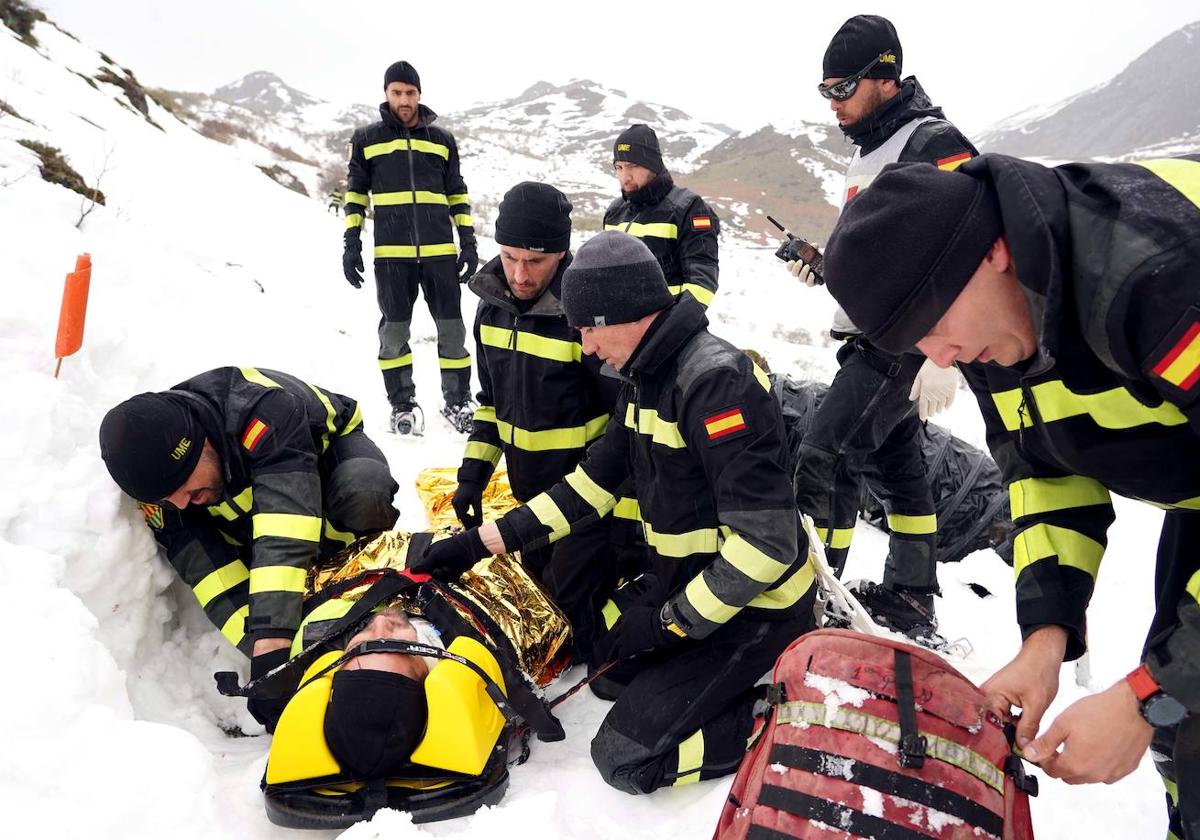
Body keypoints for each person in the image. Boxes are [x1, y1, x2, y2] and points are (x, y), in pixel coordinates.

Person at [821, 153, 1200, 837]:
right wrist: (1045, 637)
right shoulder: (1000, 322)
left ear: (993, 250)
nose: (939, 358)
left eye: (932, 326)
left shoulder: (1158, 275)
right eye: (915, 345)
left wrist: (1151, 696)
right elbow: (1046, 470)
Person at [413, 230, 817, 795]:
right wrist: (478, 544)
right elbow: (589, 486)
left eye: (587, 328)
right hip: (691, 584)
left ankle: (769, 719)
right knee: (604, 660)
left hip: (757, 608)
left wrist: (671, 621)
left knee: (624, 759)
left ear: (623, 313)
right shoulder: (647, 377)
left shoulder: (715, 384)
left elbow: (766, 546)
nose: (584, 347)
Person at [784, 15, 976, 641]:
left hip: (902, 342)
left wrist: (943, 357)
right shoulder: (874, 152)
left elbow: (977, 239)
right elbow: (882, 255)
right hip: (874, 334)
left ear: (886, 78)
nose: (834, 104)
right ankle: (912, 597)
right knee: (898, 466)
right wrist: (826, 268)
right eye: (826, 92)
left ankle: (815, 591)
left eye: (843, 88)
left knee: (823, 452)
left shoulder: (931, 141)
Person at [99, 366, 400, 726]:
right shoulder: (170, 491)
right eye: (167, 500)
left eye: (184, 488)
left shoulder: (263, 410)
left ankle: (357, 568)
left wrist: (274, 640)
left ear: (202, 444)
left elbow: (286, 529)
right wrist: (274, 661)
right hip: (252, 501)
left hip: (320, 465)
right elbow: (209, 573)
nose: (179, 504)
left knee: (362, 493)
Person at [455, 181, 632, 654]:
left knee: (566, 627)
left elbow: (623, 417)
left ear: (561, 254)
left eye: (534, 261)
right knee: (533, 610)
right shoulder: (489, 311)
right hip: (527, 499)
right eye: (510, 256)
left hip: (585, 503)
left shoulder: (586, 314)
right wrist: (472, 476)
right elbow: (490, 402)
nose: (520, 273)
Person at [342, 60, 478, 436]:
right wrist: (350, 243)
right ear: (386, 94)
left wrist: (467, 242)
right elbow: (355, 196)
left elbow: (457, 194)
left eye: (411, 93)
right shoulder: (367, 140)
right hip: (392, 258)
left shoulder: (442, 140)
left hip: (440, 256)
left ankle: (457, 401)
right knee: (394, 335)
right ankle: (401, 403)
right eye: (397, 92)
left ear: (420, 94)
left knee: (452, 332)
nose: (404, 100)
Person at [603, 124, 720, 307]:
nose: (625, 177)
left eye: (633, 166)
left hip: (668, 328)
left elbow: (701, 286)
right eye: (619, 167)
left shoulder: (690, 209)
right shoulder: (615, 212)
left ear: (653, 166)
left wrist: (669, 329)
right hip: (620, 329)